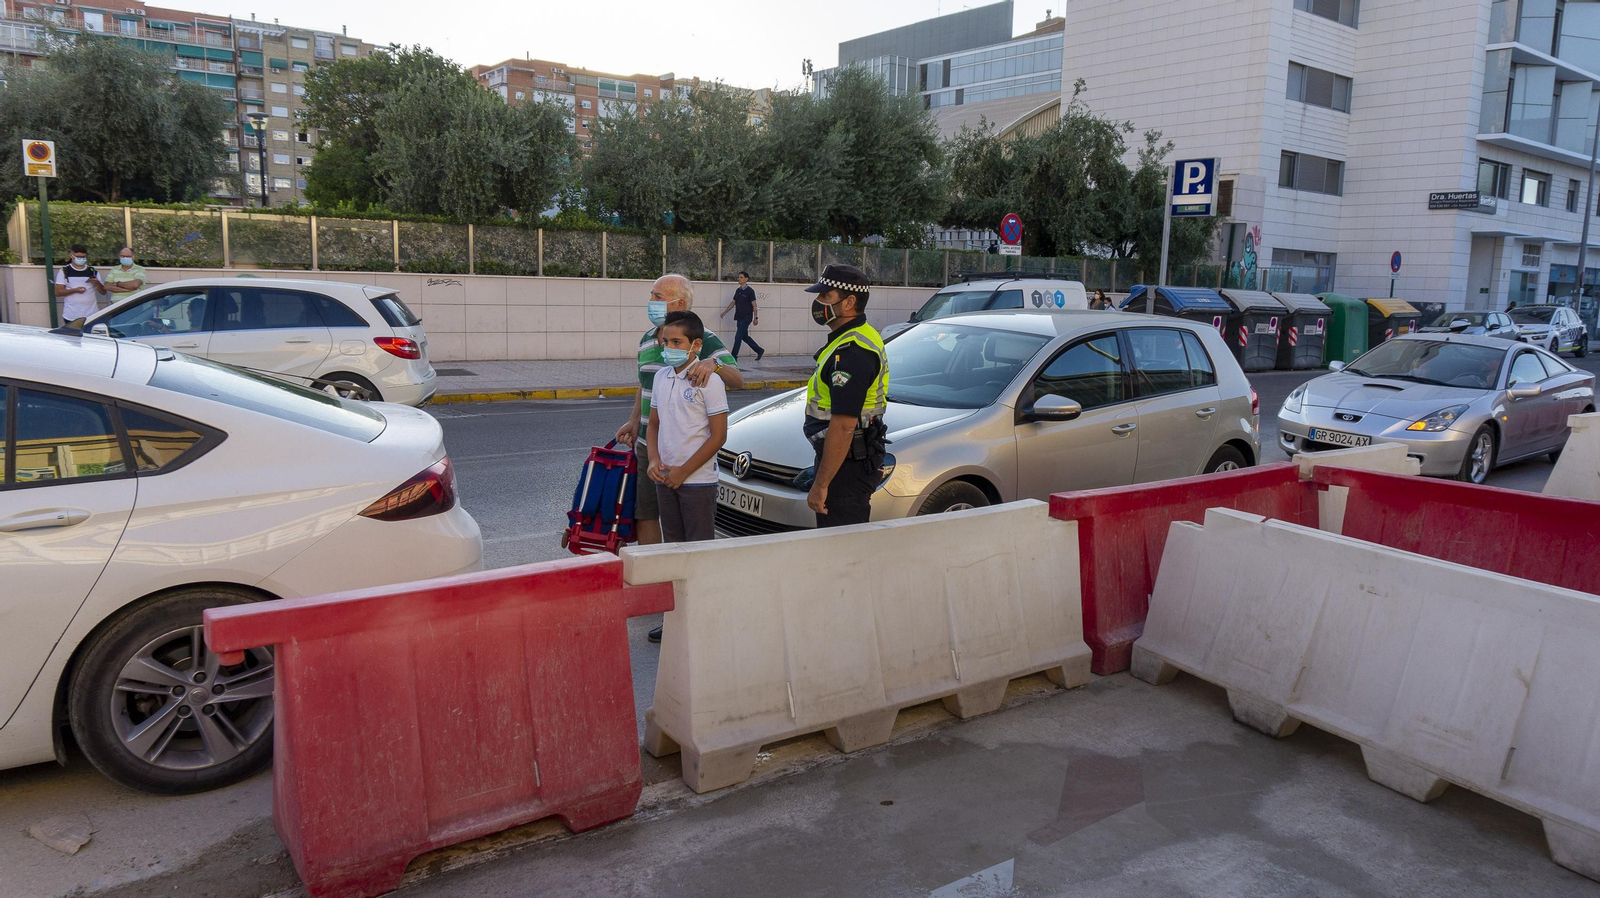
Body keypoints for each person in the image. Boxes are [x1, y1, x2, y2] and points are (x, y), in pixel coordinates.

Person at [613, 274, 742, 642]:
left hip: (690, 461)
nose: (651, 300)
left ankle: (697, 604)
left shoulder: (704, 339)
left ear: (681, 304)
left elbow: (737, 379)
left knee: (694, 538)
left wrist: (714, 365)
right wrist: (633, 420)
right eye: (652, 294)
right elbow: (645, 384)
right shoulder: (647, 338)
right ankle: (663, 593)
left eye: (659, 296)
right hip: (650, 445)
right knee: (646, 515)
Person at [802, 263, 889, 528]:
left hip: (847, 469)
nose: (818, 302)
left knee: (842, 555)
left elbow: (844, 424)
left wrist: (821, 484)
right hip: (845, 461)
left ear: (849, 302)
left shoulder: (853, 351)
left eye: (825, 296)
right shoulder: (852, 338)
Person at [646, 311, 729, 545]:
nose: (669, 347)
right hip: (665, 478)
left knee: (698, 548)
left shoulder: (709, 381)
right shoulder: (661, 377)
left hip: (697, 482)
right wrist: (653, 460)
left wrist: (683, 471)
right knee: (672, 544)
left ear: (696, 345)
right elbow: (653, 425)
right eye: (665, 342)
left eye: (676, 342)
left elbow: (719, 436)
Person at [720, 271, 765, 362]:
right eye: (738, 277)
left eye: (741, 277)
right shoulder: (738, 290)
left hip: (746, 317)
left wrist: (756, 317)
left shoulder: (750, 291)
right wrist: (725, 312)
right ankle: (759, 350)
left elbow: (754, 304)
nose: (739, 279)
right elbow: (733, 302)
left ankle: (733, 356)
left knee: (738, 337)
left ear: (746, 279)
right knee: (744, 336)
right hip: (739, 316)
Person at [54, 244, 104, 324]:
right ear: (71, 256)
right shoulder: (64, 271)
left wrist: (97, 283)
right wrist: (75, 290)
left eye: (83, 257)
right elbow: (58, 292)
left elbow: (103, 292)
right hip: (71, 315)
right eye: (78, 257)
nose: (81, 259)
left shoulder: (92, 271)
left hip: (91, 314)